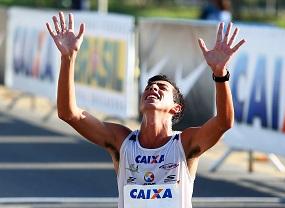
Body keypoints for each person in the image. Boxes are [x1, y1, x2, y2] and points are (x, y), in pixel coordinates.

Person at [46, 11, 245, 208]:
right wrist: (68, 59)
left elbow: (223, 122)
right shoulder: (121, 140)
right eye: (149, 87)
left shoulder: (184, 144)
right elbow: (68, 113)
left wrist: (220, 74)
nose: (153, 88)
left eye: (161, 88)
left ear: (176, 108)